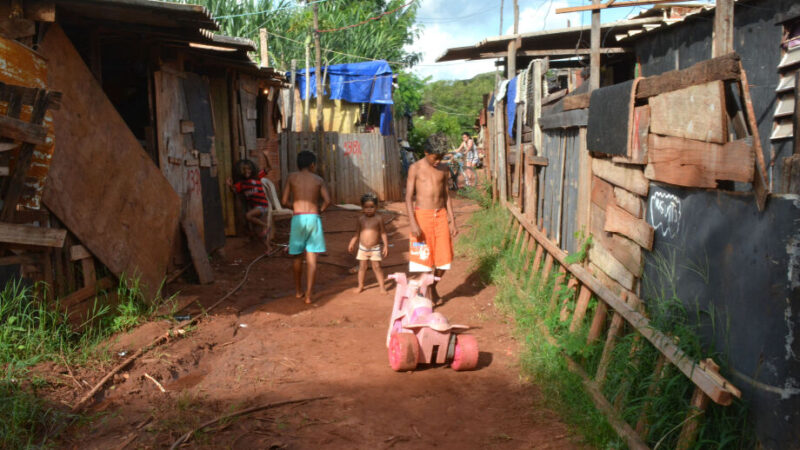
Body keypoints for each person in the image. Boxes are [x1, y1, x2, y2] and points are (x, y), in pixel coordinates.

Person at [406, 133, 458, 304]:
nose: (438, 161)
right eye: (435, 158)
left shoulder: (444, 169)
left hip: (441, 216)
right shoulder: (415, 168)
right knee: (424, 262)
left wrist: (452, 220)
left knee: (444, 261)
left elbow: (446, 195)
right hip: (422, 217)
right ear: (426, 152)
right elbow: (408, 198)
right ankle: (426, 296)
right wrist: (413, 222)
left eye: (441, 158)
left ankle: (432, 286)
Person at [281, 151, 331, 304]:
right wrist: (319, 210)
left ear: (298, 164)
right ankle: (309, 295)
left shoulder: (291, 177)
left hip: (298, 218)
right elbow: (327, 200)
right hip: (313, 218)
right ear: (312, 165)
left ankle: (298, 291)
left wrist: (294, 206)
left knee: (297, 256)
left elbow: (284, 201)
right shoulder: (318, 179)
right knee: (312, 257)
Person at [347, 193, 389, 294]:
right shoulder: (360, 219)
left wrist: (386, 245)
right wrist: (352, 243)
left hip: (375, 248)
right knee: (362, 267)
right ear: (362, 207)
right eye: (366, 207)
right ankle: (360, 286)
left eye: (371, 207)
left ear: (376, 207)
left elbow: (383, 232)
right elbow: (357, 233)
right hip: (363, 248)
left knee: (377, 267)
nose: (369, 209)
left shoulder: (379, 219)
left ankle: (382, 287)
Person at [226, 160, 271, 252]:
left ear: (252, 170)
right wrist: (229, 185)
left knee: (248, 216)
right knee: (259, 232)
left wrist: (266, 156)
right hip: (255, 208)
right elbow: (234, 190)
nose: (247, 171)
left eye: (249, 169)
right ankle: (268, 248)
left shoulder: (257, 177)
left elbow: (268, 168)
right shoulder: (241, 184)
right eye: (244, 169)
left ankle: (266, 225)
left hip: (262, 206)